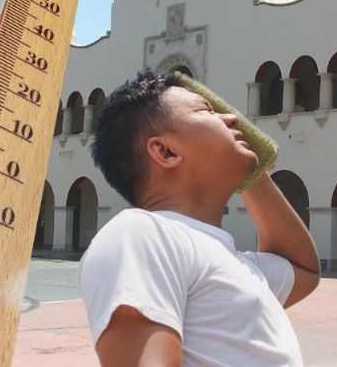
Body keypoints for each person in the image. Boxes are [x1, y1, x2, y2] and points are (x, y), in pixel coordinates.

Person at [78, 70, 320, 366]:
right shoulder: (141, 235)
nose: (231, 118)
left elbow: (303, 270)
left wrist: (248, 160)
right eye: (207, 111)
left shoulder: (233, 260)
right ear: (165, 151)